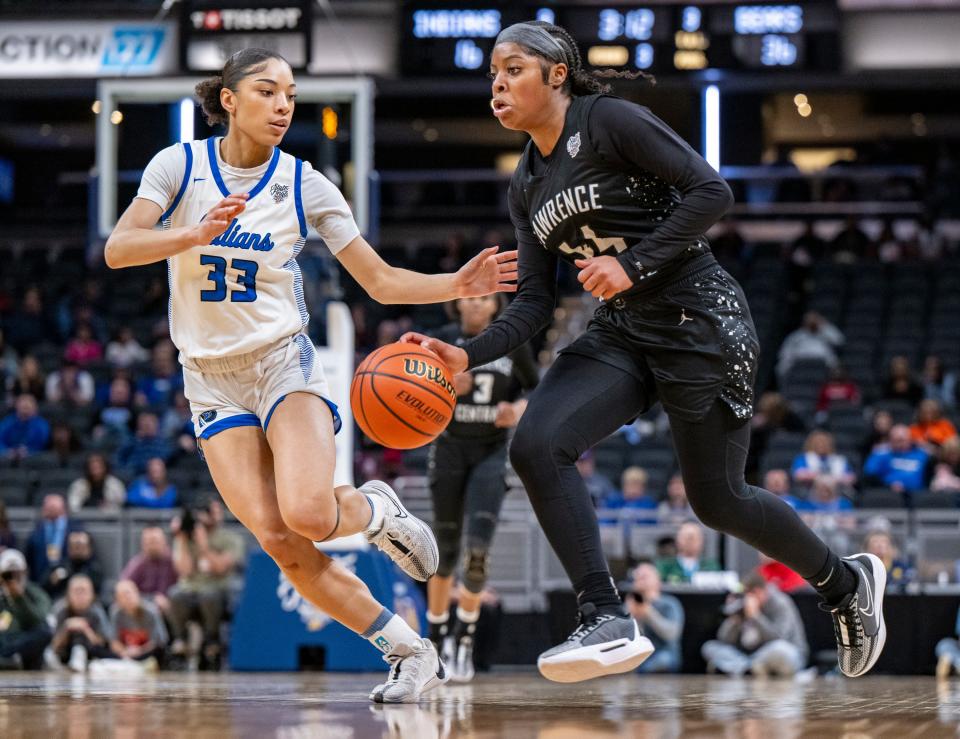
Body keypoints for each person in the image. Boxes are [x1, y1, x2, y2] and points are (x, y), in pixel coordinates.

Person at [401, 20, 885, 681]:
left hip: (698, 317)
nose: (498, 82)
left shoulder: (609, 122)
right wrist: (467, 354)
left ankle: (843, 583)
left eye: (512, 68)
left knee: (717, 500)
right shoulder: (526, 183)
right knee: (537, 444)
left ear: (557, 73)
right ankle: (604, 613)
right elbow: (536, 304)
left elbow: (712, 190)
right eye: (492, 73)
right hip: (623, 330)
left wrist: (631, 262)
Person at [104, 47, 516, 703]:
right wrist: (190, 234)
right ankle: (410, 650)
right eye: (267, 91)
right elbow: (119, 247)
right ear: (230, 98)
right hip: (208, 378)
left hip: (280, 362)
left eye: (291, 94)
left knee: (307, 512)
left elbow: (378, 280)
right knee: (281, 543)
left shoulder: (304, 183)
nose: (282, 105)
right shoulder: (177, 166)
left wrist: (452, 282)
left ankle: (376, 510)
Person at [425, 293, 538, 683]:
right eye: (469, 297)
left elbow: (535, 388)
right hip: (449, 449)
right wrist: (442, 382)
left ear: (496, 305)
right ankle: (435, 639)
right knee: (445, 552)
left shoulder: (511, 340)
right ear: (457, 304)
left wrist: (519, 411)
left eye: (484, 298)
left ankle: (464, 639)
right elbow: (408, 390)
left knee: (476, 554)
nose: (475, 303)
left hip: (491, 452)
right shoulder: (439, 341)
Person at [166, 499, 244, 670]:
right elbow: (184, 571)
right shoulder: (185, 537)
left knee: (209, 595)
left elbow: (219, 568)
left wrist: (203, 546)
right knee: (175, 594)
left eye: (214, 512)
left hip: (219, 589)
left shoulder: (230, 538)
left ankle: (212, 640)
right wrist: (183, 539)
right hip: (190, 589)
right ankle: (180, 640)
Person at [702, 572, 809, 678]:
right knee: (709, 647)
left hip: (785, 654)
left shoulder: (780, 603)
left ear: (760, 592)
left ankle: (738, 668)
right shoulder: (741, 604)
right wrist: (734, 619)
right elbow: (724, 640)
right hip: (749, 657)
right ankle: (749, 669)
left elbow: (779, 637)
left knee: (780, 649)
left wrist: (756, 616)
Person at [624, 562, 684, 674]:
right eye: (637, 577)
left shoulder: (670, 604)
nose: (640, 580)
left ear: (657, 580)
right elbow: (622, 637)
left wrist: (648, 612)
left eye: (645, 577)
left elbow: (672, 635)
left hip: (662, 655)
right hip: (637, 657)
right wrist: (630, 614)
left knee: (664, 660)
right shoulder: (631, 604)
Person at [47, 574, 114, 673]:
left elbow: (102, 643)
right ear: (68, 594)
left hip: (90, 656)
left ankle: (79, 656)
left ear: (92, 594)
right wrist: (66, 627)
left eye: (83, 591)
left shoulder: (97, 612)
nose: (80, 596)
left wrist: (85, 629)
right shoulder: (60, 610)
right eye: (76, 591)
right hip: (65, 655)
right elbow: (53, 645)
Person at [0, 548, 52, 670]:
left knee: (44, 631)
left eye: (17, 573)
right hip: (4, 639)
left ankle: (11, 660)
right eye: (8, 574)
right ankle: (9, 660)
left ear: (25, 572)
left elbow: (39, 620)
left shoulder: (35, 592)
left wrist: (20, 598)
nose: (12, 578)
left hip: (25, 640)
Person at [24, 494, 82, 584]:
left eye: (55, 509)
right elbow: (29, 556)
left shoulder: (75, 529)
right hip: (41, 578)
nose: (51, 512)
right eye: (49, 509)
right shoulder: (37, 530)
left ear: (63, 510)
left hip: (68, 578)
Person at [120, 527, 178, 616]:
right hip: (145, 606)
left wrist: (166, 600)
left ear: (164, 541)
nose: (152, 546)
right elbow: (123, 585)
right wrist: (151, 600)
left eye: (155, 541)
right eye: (148, 542)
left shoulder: (175, 561)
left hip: (172, 606)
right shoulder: (138, 563)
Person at [110, 579, 167, 667]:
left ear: (137, 593)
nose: (128, 597)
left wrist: (139, 651)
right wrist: (125, 651)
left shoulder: (151, 611)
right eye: (124, 596)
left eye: (130, 593)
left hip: (146, 652)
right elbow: (114, 642)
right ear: (118, 600)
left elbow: (159, 641)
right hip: (127, 652)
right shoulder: (116, 613)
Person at [776, 311, 845, 382]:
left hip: (823, 362)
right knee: (781, 368)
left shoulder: (826, 332)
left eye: (814, 319)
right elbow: (785, 352)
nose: (812, 322)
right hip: (800, 363)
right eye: (809, 320)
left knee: (837, 367)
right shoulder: (796, 336)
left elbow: (839, 341)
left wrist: (824, 325)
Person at [864, 424, 931, 493]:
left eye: (902, 440)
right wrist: (887, 485)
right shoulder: (881, 454)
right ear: (890, 440)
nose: (900, 444)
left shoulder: (921, 454)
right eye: (896, 440)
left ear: (910, 439)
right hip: (889, 494)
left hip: (917, 494)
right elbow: (869, 475)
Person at [656, 521, 720, 585]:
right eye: (686, 537)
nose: (689, 542)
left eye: (693, 538)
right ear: (677, 540)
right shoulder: (665, 565)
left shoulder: (711, 566)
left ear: (702, 541)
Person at [790, 430, 856, 491]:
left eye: (824, 442)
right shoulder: (804, 458)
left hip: (837, 491)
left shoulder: (839, 460)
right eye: (818, 442)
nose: (821, 445)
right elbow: (798, 475)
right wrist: (818, 478)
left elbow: (851, 478)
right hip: (810, 491)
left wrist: (832, 479)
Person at [0, 393, 50, 462]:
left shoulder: (41, 425)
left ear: (35, 409)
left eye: (28, 408)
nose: (25, 412)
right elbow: (0, 440)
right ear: (17, 407)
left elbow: (42, 442)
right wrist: (7, 451)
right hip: (8, 459)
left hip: (35, 460)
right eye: (23, 407)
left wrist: (28, 451)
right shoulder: (8, 422)